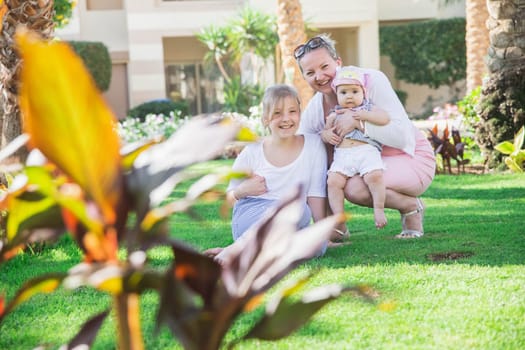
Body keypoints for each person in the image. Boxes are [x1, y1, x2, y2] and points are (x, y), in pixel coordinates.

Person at [294, 34, 436, 238]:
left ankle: (411, 207)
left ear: (338, 62)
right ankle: (335, 225)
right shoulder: (317, 107)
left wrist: (359, 123)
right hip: (367, 162)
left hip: (409, 155)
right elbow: (303, 150)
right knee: (323, 159)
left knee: (355, 188)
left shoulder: (370, 80)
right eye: (310, 72)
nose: (319, 76)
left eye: (325, 67)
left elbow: (403, 137)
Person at [204, 84, 329, 261]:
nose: (286, 118)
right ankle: (239, 248)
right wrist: (243, 191)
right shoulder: (252, 151)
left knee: (318, 244)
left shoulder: (313, 145)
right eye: (277, 113)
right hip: (252, 214)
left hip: (292, 221)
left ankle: (244, 251)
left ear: (299, 114)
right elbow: (227, 200)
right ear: (265, 119)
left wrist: (321, 231)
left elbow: (316, 194)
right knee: (298, 207)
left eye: (292, 111)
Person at [326, 66, 389, 235]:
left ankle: (379, 208)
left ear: (363, 92)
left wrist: (366, 116)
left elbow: (384, 118)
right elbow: (325, 131)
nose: (349, 96)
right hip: (343, 154)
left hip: (366, 151)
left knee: (374, 176)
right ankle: (339, 218)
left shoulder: (367, 108)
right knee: (333, 182)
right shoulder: (335, 113)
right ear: (337, 95)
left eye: (354, 91)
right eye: (344, 92)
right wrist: (326, 135)